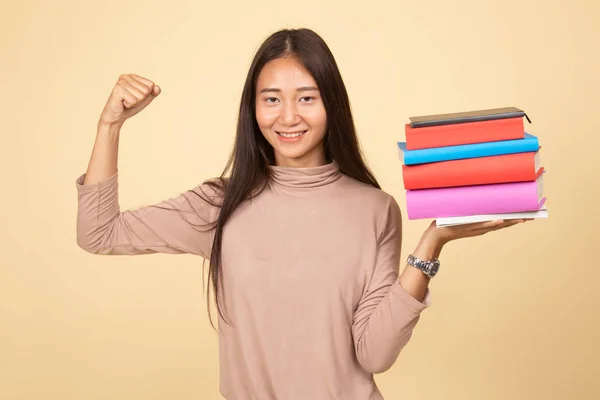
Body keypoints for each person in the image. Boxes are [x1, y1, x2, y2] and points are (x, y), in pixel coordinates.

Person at [75, 28, 528, 400]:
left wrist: (432, 243)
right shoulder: (220, 203)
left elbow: (374, 355)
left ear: (332, 104)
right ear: (252, 110)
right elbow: (98, 232)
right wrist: (109, 125)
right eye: (271, 99)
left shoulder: (375, 209)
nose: (288, 116)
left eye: (307, 98)